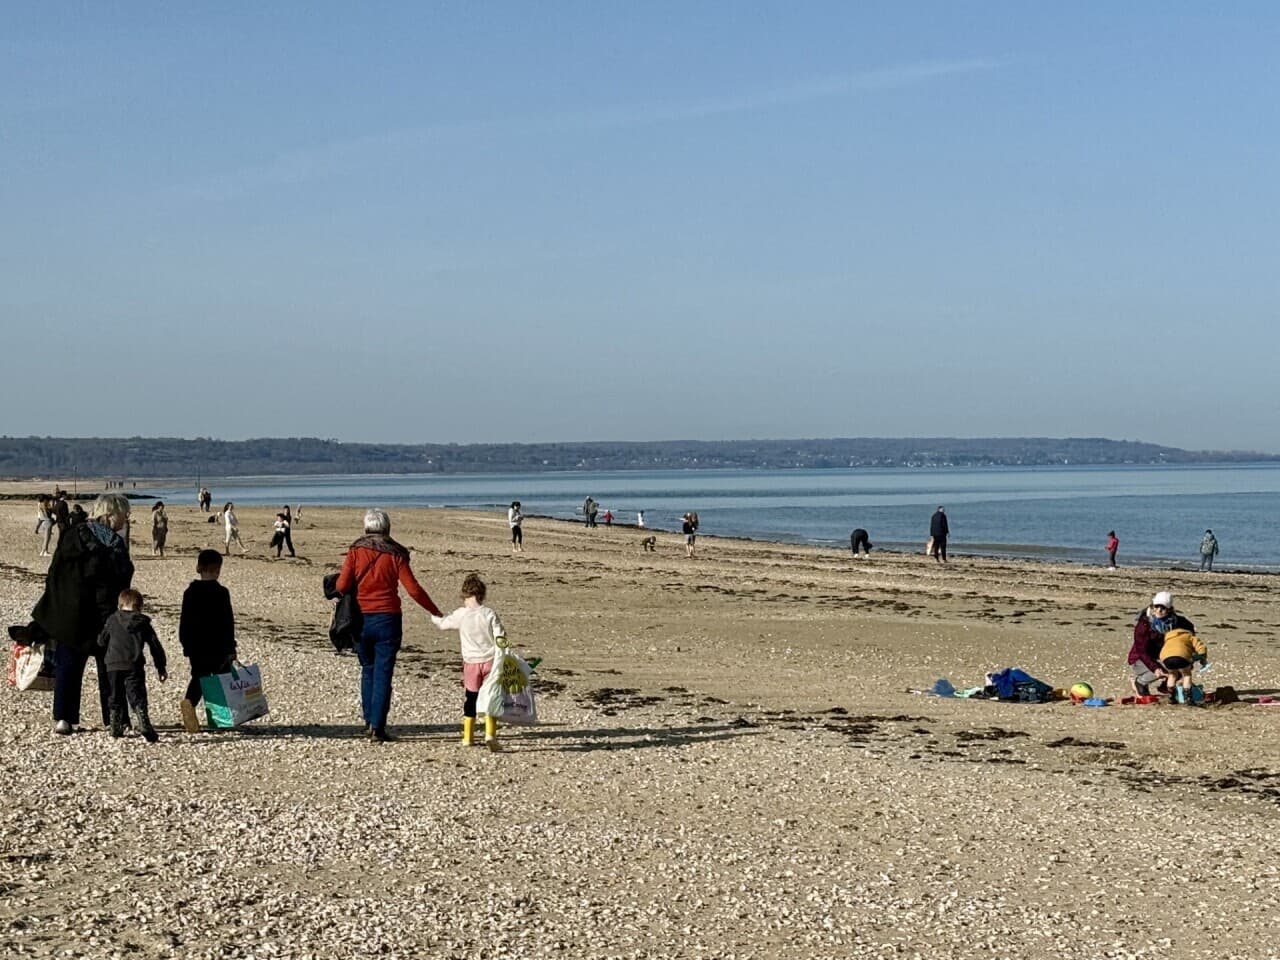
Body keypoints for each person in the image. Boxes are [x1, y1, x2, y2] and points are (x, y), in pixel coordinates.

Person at [335, 508, 443, 742]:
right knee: (383, 672)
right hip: (388, 619)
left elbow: (342, 586)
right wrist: (434, 611)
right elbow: (413, 588)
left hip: (361, 619)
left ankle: (368, 721)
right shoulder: (396, 553)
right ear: (387, 528)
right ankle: (378, 726)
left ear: (366, 527)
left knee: (368, 669)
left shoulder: (355, 550)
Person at [31, 493, 134, 735]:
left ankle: (112, 717)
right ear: (110, 514)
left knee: (108, 666)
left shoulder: (112, 541)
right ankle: (69, 717)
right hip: (77, 610)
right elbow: (60, 573)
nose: (126, 519)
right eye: (124, 514)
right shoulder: (79, 535)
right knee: (73, 665)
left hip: (100, 613)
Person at [430, 573, 507, 751]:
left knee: (470, 698)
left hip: (471, 663)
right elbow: (500, 636)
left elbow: (443, 624)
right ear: (481, 595)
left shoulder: (461, 614)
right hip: (490, 661)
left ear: (465, 595)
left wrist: (434, 616)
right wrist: (505, 654)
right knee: (491, 697)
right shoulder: (489, 614)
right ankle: (490, 734)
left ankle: (468, 736)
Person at [178, 549, 237, 733]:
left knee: (200, 676)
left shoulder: (190, 592)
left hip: (196, 645)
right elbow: (228, 622)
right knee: (220, 679)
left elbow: (184, 621)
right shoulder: (222, 593)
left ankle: (189, 702)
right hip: (218, 644)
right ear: (218, 570)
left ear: (198, 568)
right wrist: (231, 647)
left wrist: (186, 644)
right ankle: (219, 719)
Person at [96, 588, 167, 741]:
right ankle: (143, 720)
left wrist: (102, 641)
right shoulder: (143, 622)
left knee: (115, 694)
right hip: (133, 664)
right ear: (139, 607)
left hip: (113, 664)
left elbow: (102, 640)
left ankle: (115, 725)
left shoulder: (112, 619)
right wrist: (161, 667)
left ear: (119, 605)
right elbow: (155, 646)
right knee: (136, 694)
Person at [1127, 591, 1195, 697]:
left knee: (1181, 665)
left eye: (1163, 608)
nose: (1159, 610)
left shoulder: (1177, 622)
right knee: (1163, 670)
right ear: (1152, 606)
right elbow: (1142, 651)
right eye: (1156, 606)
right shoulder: (1144, 624)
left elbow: (1190, 630)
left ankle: (1165, 687)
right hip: (1140, 659)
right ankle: (1140, 682)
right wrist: (1155, 668)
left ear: (1169, 609)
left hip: (1163, 656)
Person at [1159, 625, 1208, 705]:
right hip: (1181, 656)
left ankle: (1171, 696)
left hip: (1166, 657)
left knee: (1172, 675)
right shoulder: (1189, 636)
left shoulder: (1169, 638)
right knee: (1186, 675)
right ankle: (1187, 697)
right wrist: (1202, 657)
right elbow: (1201, 647)